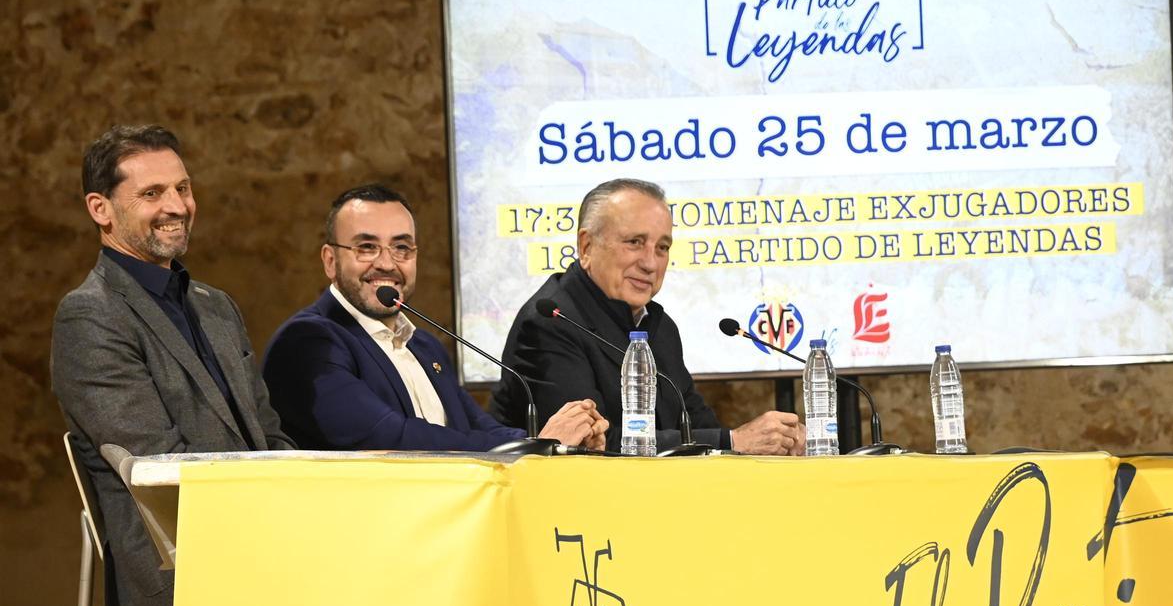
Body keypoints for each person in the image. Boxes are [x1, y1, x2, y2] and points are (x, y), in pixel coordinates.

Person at [51, 124, 294, 606]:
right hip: (182, 565)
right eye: (152, 193)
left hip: (260, 540)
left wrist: (298, 507)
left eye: (182, 188)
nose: (177, 205)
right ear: (101, 209)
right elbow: (158, 468)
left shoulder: (215, 305)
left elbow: (269, 434)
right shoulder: (90, 316)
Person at [262, 184, 607, 452]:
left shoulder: (424, 346)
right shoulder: (308, 343)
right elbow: (388, 438)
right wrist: (540, 446)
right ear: (330, 261)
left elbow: (476, 429)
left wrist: (561, 438)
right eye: (366, 247)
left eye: (401, 248)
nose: (386, 263)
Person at [491, 178, 805, 455]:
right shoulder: (550, 322)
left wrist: (772, 442)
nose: (650, 263)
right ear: (586, 246)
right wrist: (734, 441)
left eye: (662, 248)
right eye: (635, 243)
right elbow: (593, 445)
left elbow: (695, 422)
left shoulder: (658, 326)